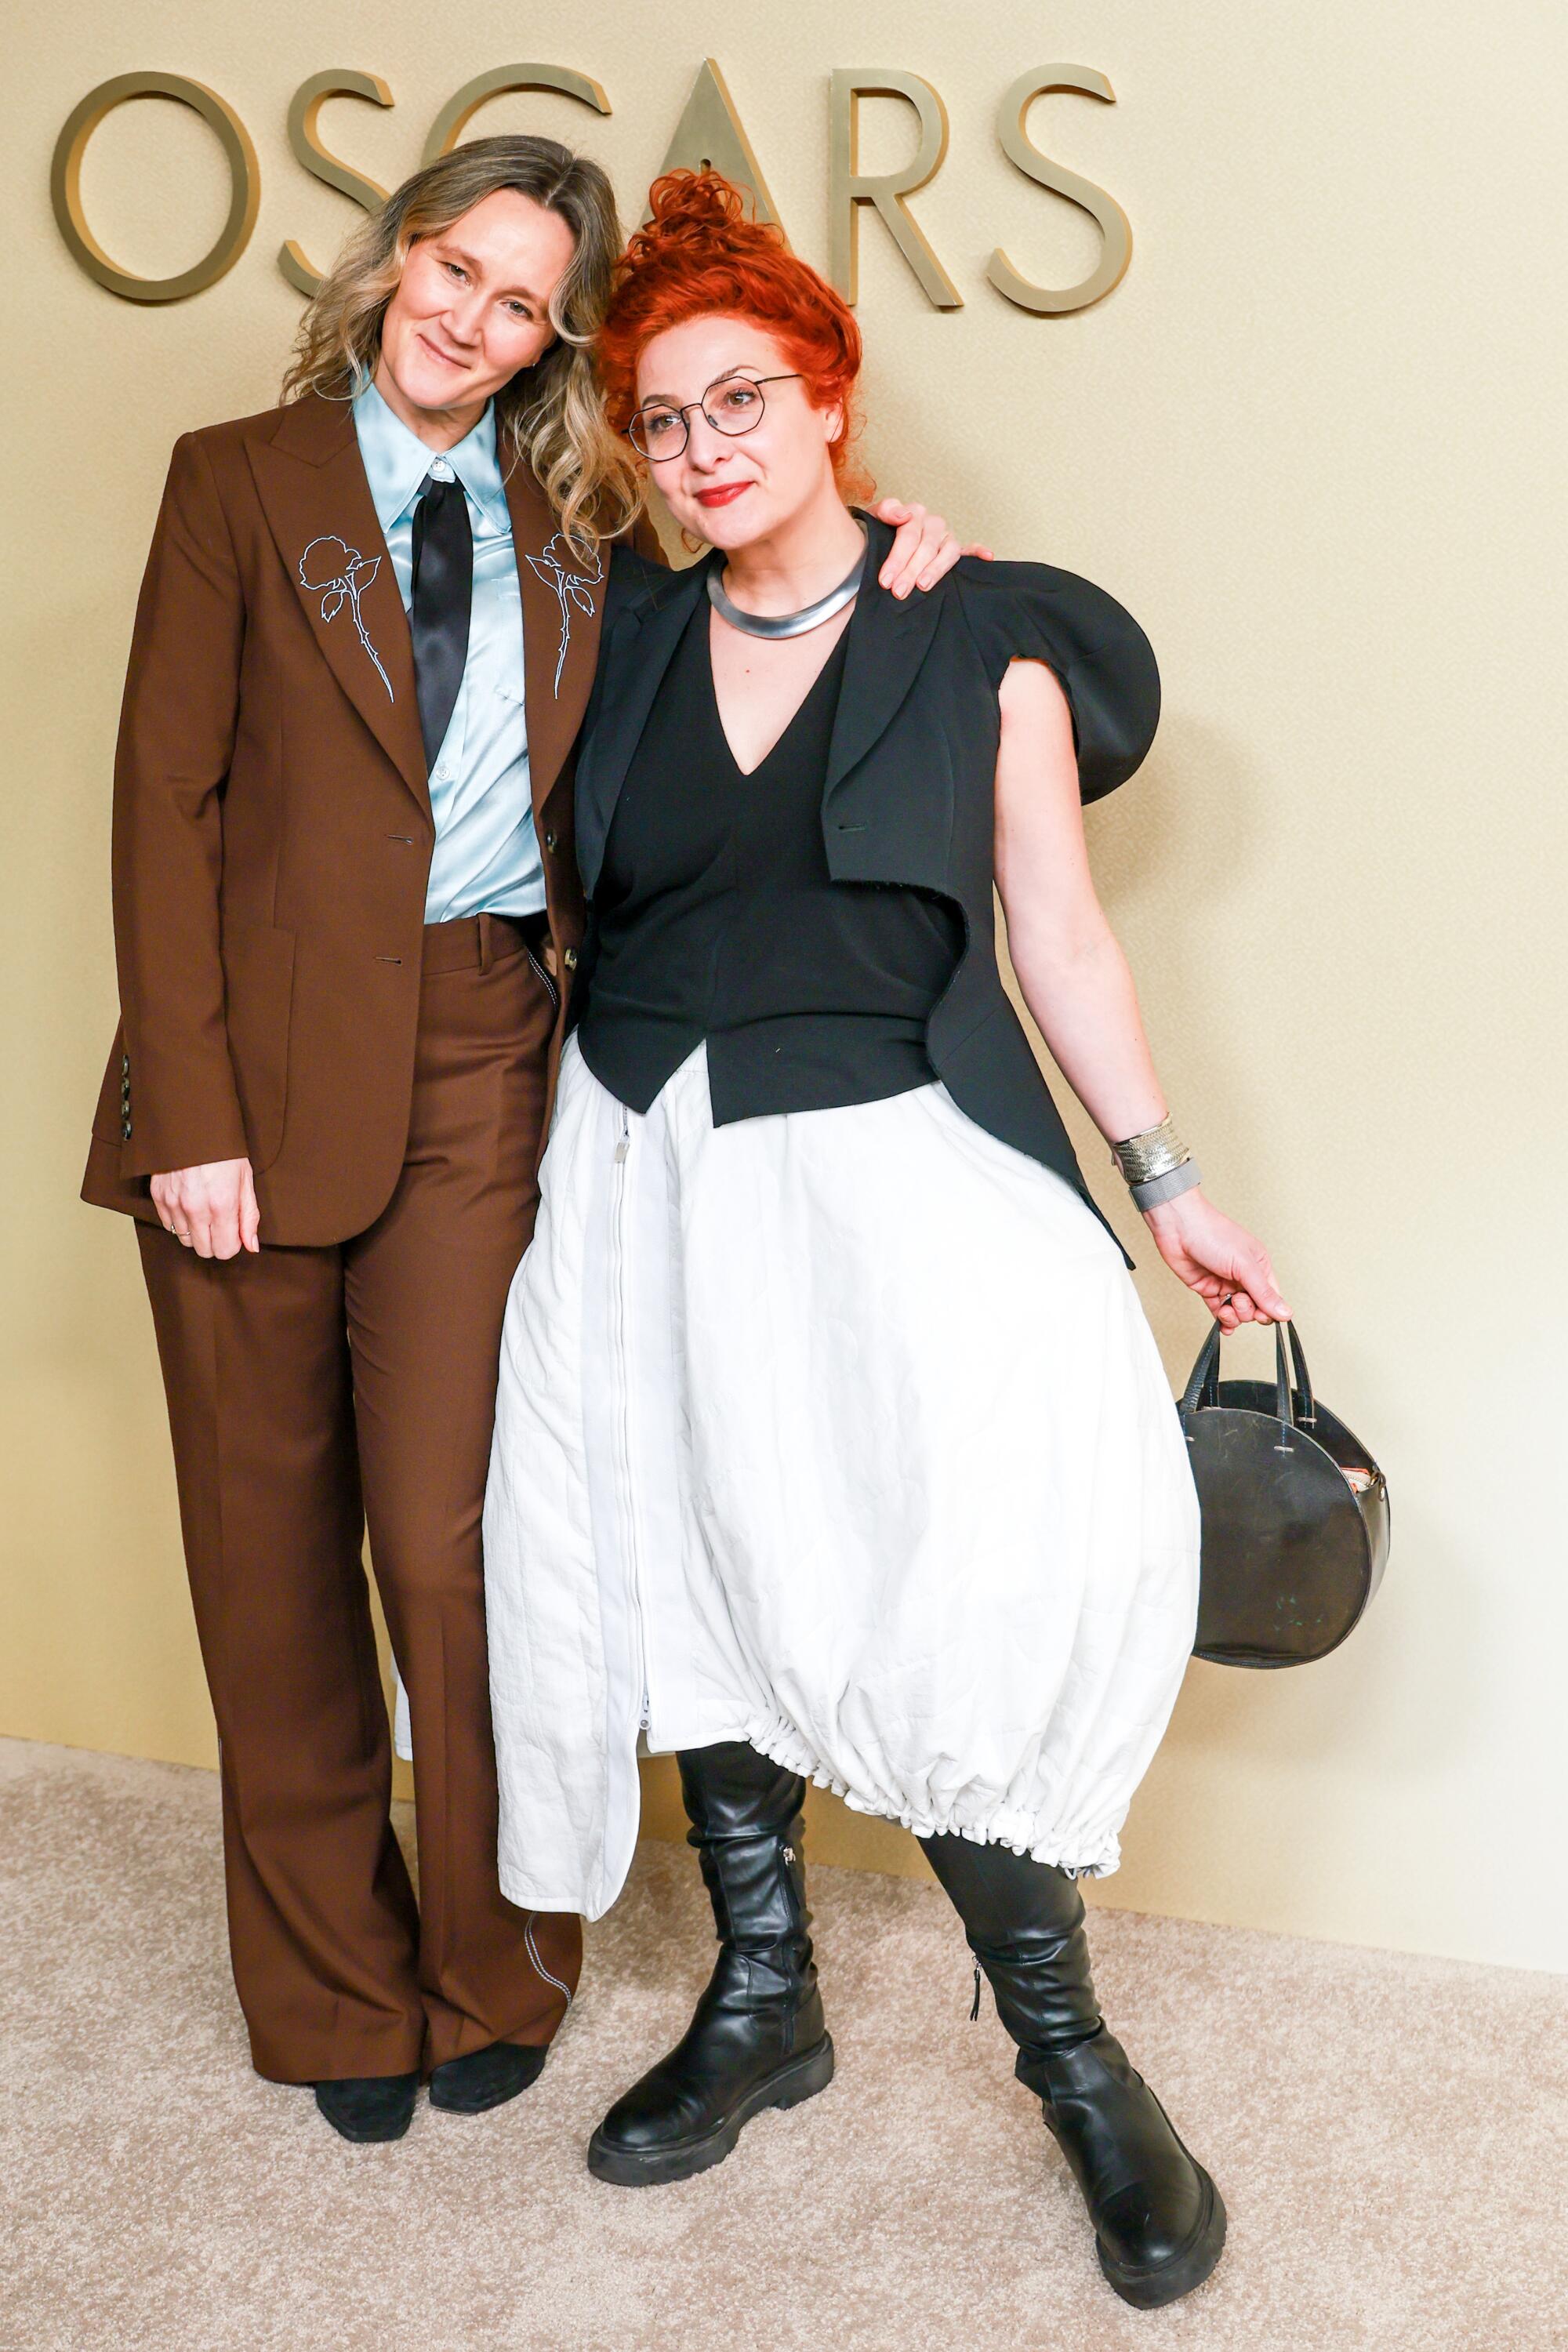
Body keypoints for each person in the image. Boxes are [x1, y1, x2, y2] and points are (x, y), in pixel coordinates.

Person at [80, 136, 963, 2144]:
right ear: (399, 256)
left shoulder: (587, 531)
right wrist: (188, 1111)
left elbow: (771, 585)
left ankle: (496, 1961)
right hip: (246, 1069)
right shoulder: (239, 478)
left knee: (464, 1544)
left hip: (485, 1051)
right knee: (266, 1558)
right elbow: (162, 810)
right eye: (454, 270)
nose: (471, 322)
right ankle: (326, 1994)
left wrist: (902, 537)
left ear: (554, 335)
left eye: (520, 302)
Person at [483, 172, 1289, 2308]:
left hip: (903, 1180)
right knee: (689, 1558)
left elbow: (1061, 934)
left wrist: (1171, 1177)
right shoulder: (625, 628)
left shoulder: (980, 629)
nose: (702, 447)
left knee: (952, 1598)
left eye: (741, 397)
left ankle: (1068, 2055)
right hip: (645, 1170)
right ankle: (765, 1994)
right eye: (659, 420)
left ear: (830, 396)